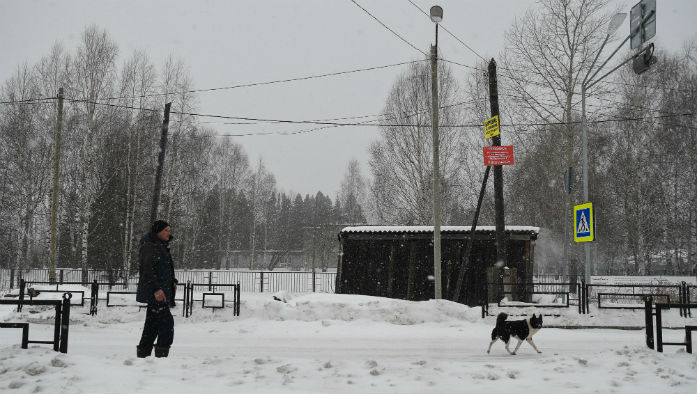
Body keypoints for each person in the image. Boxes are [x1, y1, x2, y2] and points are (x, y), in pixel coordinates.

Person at [136, 220, 178, 358]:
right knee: (167, 325)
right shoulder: (150, 245)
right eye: (166, 230)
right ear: (157, 231)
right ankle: (161, 358)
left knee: (151, 326)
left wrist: (172, 281)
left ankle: (144, 357)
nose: (169, 233)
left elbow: (162, 269)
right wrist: (156, 289)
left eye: (169, 230)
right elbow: (146, 270)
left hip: (161, 292)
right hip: (157, 294)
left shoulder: (160, 245)